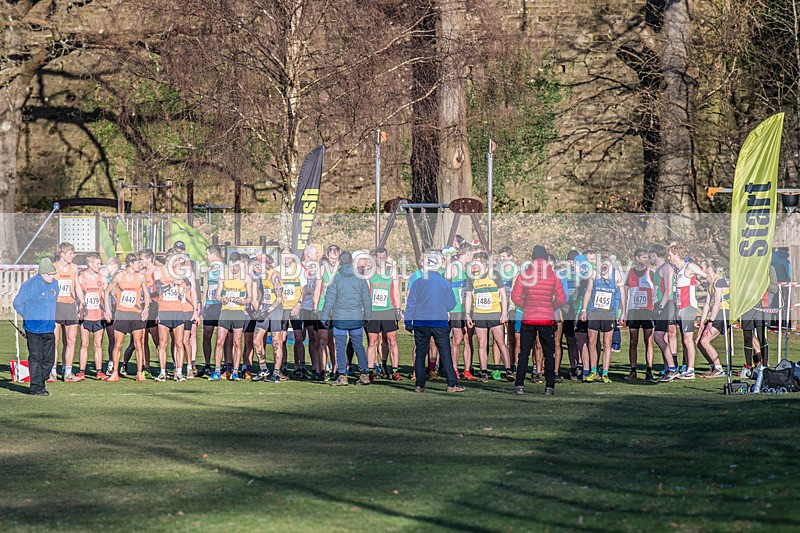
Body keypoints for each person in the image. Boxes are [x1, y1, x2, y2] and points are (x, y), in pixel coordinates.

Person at [404, 252, 463, 393]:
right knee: (445, 353)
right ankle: (452, 384)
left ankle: (419, 384)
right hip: (439, 322)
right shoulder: (444, 282)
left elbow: (410, 304)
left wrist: (408, 322)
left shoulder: (418, 282)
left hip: (421, 322)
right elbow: (452, 304)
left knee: (420, 353)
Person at [511, 245, 566, 395]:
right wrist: (550, 306)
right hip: (546, 318)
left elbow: (515, 296)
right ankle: (549, 386)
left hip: (528, 317)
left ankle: (519, 385)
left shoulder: (524, 274)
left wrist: (527, 305)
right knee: (549, 353)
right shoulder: (553, 275)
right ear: (547, 258)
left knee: (524, 353)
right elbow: (561, 298)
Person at [320, 251, 372, 386]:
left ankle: (342, 375)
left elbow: (329, 300)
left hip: (340, 319)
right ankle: (364, 374)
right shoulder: (360, 278)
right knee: (358, 346)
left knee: (341, 347)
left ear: (340, 262)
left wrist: (324, 317)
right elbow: (366, 299)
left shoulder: (336, 279)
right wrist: (367, 316)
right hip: (356, 318)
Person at [464, 252, 513, 382]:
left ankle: (508, 370)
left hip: (495, 312)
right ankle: (483, 371)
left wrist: (504, 313)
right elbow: (469, 296)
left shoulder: (494, 274)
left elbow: (503, 295)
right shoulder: (472, 277)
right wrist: (468, 315)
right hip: (479, 314)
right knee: (482, 343)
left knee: (500, 342)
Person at [13, 258, 59, 396]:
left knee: (49, 360)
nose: (52, 277)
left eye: (53, 274)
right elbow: (18, 303)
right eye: (50, 274)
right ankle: (36, 387)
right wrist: (28, 315)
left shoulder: (55, 284)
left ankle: (40, 380)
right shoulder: (30, 285)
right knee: (36, 357)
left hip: (49, 327)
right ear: (42, 273)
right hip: (33, 328)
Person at [104, 253, 151, 382]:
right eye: (138, 263)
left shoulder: (141, 276)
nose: (140, 265)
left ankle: (139, 373)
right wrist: (107, 309)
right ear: (131, 264)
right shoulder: (119, 276)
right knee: (118, 344)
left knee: (138, 344)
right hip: (121, 313)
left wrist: (146, 308)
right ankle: (114, 372)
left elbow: (146, 293)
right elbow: (107, 291)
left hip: (136, 314)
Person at [666, 244, 708, 380]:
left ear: (677, 255)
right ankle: (686, 368)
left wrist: (706, 283)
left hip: (688, 307)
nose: (668, 258)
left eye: (670, 255)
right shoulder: (678, 270)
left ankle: (691, 370)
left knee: (687, 339)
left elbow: (707, 276)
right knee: (684, 339)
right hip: (680, 308)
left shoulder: (689, 266)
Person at [579, 255, 624, 383]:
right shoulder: (594, 274)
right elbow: (588, 291)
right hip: (594, 312)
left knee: (607, 344)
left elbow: (622, 293)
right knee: (592, 342)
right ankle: (593, 371)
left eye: (605, 269)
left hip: (609, 314)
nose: (602, 271)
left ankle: (605, 373)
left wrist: (623, 312)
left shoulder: (616, 275)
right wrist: (584, 310)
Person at [211, 253, 252, 381]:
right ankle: (217, 370)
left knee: (237, 342)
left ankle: (235, 371)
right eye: (232, 266)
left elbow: (250, 297)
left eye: (236, 266)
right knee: (219, 341)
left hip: (238, 312)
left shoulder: (246, 278)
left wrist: (243, 301)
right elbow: (217, 295)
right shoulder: (224, 275)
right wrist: (222, 298)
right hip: (225, 311)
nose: (234, 269)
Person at [366, 247, 402, 381]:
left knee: (391, 340)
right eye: (379, 257)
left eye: (384, 257)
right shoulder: (369, 272)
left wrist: (398, 310)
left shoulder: (391, 271)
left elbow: (396, 291)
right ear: (374, 258)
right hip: (374, 311)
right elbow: (365, 291)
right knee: (372, 341)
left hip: (388, 310)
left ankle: (394, 370)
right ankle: (370, 371)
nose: (381, 260)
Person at [153, 249, 189, 382]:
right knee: (163, 344)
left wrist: (184, 291)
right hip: (164, 310)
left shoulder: (180, 274)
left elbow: (186, 288)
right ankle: (162, 373)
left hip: (178, 311)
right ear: (168, 259)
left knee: (179, 343)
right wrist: (173, 284)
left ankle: (178, 372)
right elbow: (159, 289)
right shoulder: (159, 271)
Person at [623, 248, 657, 382]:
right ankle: (633, 370)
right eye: (644, 257)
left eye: (647, 258)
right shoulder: (629, 273)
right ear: (637, 258)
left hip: (647, 311)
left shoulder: (651, 272)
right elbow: (625, 293)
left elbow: (656, 291)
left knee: (648, 340)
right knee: (633, 340)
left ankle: (649, 371)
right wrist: (624, 311)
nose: (647, 260)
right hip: (633, 310)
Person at [53, 242, 84, 382]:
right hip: (56, 306)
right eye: (71, 253)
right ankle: (52, 371)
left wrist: (83, 303)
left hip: (70, 306)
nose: (73, 255)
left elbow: (77, 286)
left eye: (73, 253)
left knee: (71, 341)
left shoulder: (74, 268)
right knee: (55, 340)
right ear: (62, 254)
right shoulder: (53, 268)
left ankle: (68, 373)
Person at [252, 254, 284, 382]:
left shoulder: (274, 275)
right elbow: (262, 293)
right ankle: (263, 369)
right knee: (256, 340)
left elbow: (279, 297)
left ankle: (276, 373)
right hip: (264, 309)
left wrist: (268, 310)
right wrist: (259, 309)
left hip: (275, 310)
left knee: (276, 342)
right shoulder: (260, 276)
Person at [446, 244, 476, 380]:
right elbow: (445, 288)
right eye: (472, 254)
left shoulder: (470, 269)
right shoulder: (453, 267)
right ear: (468, 254)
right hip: (456, 309)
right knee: (457, 339)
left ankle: (467, 370)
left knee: (468, 338)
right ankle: (454, 369)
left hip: (468, 309)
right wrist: (447, 308)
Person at [650, 245, 679, 383]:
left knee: (658, 336)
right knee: (662, 337)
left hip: (666, 305)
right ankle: (668, 369)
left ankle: (672, 368)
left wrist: (661, 307)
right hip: (659, 305)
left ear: (654, 254)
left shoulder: (666, 267)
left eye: (650, 255)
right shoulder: (658, 269)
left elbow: (668, 290)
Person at [78, 253, 108, 380]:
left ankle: (99, 371)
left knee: (98, 344)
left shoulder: (103, 278)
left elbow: (106, 296)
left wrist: (107, 310)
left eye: (100, 263)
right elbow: (77, 293)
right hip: (85, 316)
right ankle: (81, 371)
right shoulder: (82, 277)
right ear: (89, 263)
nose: (99, 266)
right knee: (84, 343)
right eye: (97, 263)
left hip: (98, 315)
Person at [279, 246, 307, 378]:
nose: (286, 259)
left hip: (295, 307)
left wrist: (299, 304)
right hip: (282, 308)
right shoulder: (278, 270)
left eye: (288, 255)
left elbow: (304, 288)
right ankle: (283, 365)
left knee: (299, 337)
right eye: (283, 256)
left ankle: (299, 365)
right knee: (282, 338)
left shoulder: (299, 269)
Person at [696, 258, 727, 378]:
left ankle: (719, 370)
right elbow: (707, 304)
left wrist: (710, 322)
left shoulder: (719, 280)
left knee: (704, 341)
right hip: (716, 313)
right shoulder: (710, 282)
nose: (700, 270)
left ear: (709, 269)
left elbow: (717, 303)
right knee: (698, 342)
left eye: (702, 267)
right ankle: (714, 367)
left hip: (725, 312)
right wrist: (702, 322)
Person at [313, 245, 340, 379]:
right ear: (327, 256)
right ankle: (323, 370)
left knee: (333, 341)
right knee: (322, 340)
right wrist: (315, 307)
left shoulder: (341, 270)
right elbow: (317, 289)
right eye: (331, 257)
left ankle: (335, 369)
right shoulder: (322, 269)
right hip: (323, 308)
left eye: (336, 258)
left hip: (337, 309)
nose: (333, 260)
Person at [199, 245, 224, 378]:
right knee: (206, 335)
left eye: (207, 254)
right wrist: (203, 304)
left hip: (220, 306)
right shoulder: (209, 270)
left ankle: (224, 364)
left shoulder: (224, 269)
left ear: (213, 255)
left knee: (222, 338)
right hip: (209, 306)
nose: (206, 257)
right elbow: (207, 287)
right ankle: (208, 364)